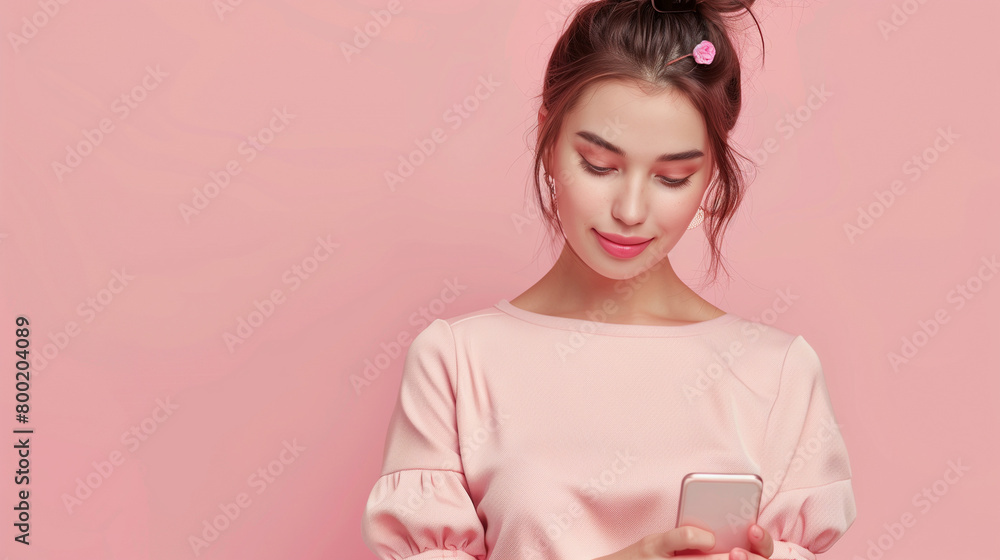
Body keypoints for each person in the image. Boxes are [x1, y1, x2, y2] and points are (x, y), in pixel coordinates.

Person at [361, 1, 856, 559]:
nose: (630, 209)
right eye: (599, 165)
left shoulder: (779, 373)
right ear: (548, 136)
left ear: (712, 171)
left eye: (673, 177)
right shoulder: (456, 362)